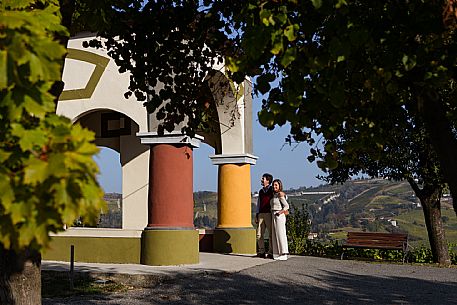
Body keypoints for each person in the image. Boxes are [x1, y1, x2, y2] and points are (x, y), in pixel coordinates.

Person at [255, 173, 274, 258]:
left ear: (268, 181)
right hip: (261, 214)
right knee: (259, 234)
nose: (261, 180)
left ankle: (271, 252)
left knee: (270, 234)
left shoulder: (272, 190)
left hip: (269, 214)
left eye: (263, 179)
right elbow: (259, 203)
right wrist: (257, 214)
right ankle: (261, 251)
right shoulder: (261, 191)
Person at [270, 178, 289, 261]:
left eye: (276, 185)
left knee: (281, 234)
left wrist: (280, 212)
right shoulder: (274, 194)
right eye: (273, 185)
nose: (274, 186)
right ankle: (277, 252)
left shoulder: (280, 194)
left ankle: (284, 253)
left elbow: (286, 206)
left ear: (279, 186)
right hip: (273, 214)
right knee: (275, 234)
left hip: (279, 215)